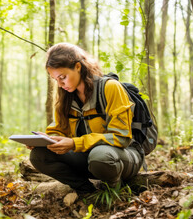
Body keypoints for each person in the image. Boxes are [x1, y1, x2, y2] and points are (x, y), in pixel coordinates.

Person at [29, 43, 143, 194]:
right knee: (39, 155)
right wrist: (47, 140)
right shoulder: (64, 97)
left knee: (100, 156)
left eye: (63, 77)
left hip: (122, 156)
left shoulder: (110, 88)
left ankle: (113, 190)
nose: (60, 84)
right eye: (55, 79)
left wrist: (75, 143)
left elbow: (121, 137)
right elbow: (60, 131)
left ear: (78, 67)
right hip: (86, 158)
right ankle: (86, 191)